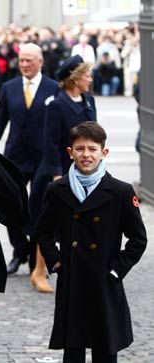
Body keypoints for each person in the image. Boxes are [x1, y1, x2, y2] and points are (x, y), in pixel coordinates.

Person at [34, 122, 147, 363]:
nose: (86, 155)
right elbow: (43, 232)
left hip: (105, 281)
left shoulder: (120, 192)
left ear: (103, 153)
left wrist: (116, 270)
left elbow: (138, 239)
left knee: (105, 349)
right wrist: (55, 263)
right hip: (72, 280)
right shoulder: (57, 189)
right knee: (73, 350)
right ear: (70, 152)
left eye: (92, 149)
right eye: (80, 149)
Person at [0, 43, 59, 279]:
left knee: (40, 208)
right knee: (10, 206)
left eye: (29, 60)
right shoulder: (9, 88)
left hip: (43, 159)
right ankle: (20, 251)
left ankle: (37, 257)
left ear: (40, 61)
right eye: (21, 60)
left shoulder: (53, 88)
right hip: (15, 157)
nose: (25, 65)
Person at [31, 54, 96, 293]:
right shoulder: (57, 104)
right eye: (87, 75)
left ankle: (80, 268)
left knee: (81, 223)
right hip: (59, 171)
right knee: (50, 223)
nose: (90, 79)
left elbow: (94, 134)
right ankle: (39, 271)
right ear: (75, 78)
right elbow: (49, 143)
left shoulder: (88, 100)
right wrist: (57, 174)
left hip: (84, 169)